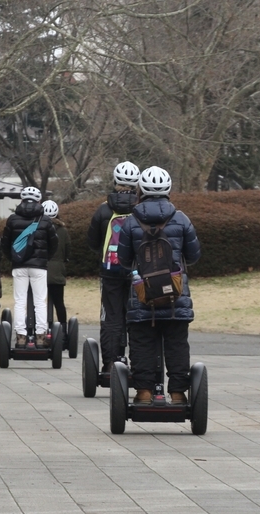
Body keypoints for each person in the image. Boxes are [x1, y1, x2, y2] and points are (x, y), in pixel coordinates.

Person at [117, 166, 201, 405]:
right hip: (176, 296)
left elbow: (123, 260)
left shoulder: (130, 222)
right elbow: (193, 256)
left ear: (141, 190)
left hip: (142, 296)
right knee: (176, 344)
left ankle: (144, 393)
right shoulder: (181, 219)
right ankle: (177, 394)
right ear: (168, 189)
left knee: (142, 343)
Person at [87, 161, 139, 375]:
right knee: (137, 316)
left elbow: (92, 242)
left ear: (115, 182)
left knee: (111, 317)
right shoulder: (141, 209)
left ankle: (110, 363)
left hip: (110, 271)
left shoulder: (104, 210)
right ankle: (139, 363)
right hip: (137, 271)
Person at [1, 186, 57, 348]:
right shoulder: (45, 220)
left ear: (22, 200)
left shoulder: (12, 219)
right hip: (39, 266)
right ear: (39, 201)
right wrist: (44, 258)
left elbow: (5, 244)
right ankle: (40, 336)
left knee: (20, 301)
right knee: (40, 301)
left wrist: (13, 258)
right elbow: (54, 243)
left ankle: (21, 336)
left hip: (19, 266)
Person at [43, 200, 70, 335]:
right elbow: (67, 251)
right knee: (59, 303)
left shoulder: (37, 229)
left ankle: (39, 329)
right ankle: (63, 330)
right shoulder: (63, 231)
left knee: (39, 302)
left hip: (41, 269)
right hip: (58, 270)